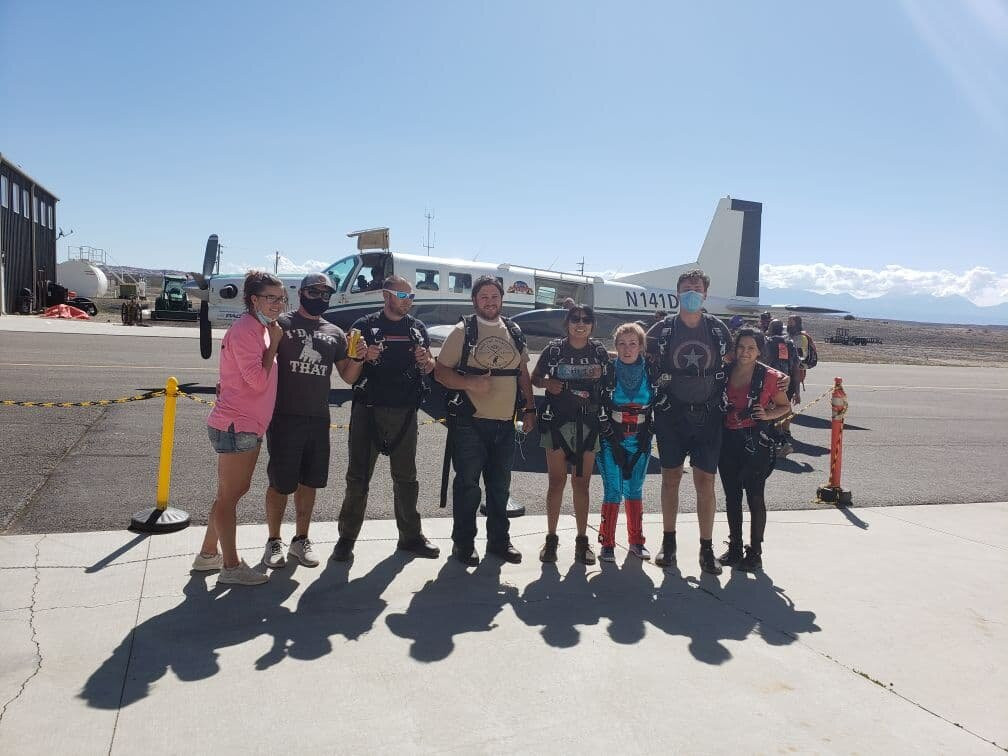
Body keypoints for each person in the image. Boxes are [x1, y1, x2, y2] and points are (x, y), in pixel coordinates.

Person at [261, 273, 367, 570]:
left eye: (326, 293)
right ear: (301, 292)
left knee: (310, 482)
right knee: (280, 483)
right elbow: (260, 363)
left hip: (319, 418)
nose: (320, 297)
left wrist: (358, 359)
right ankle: (273, 541)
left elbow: (347, 375)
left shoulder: (335, 332)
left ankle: (300, 540)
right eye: (314, 291)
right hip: (284, 417)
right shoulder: (280, 323)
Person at [333, 275, 441, 562]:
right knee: (358, 478)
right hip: (367, 409)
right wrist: (361, 357)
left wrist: (425, 361)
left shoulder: (417, 328)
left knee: (406, 478)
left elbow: (430, 366)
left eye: (411, 297)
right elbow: (348, 377)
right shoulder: (363, 326)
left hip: (405, 412)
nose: (408, 302)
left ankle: (410, 536)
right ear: (386, 295)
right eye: (402, 295)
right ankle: (346, 539)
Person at [434, 275, 537, 566]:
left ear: (501, 299)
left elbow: (522, 374)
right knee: (468, 485)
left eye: (494, 296)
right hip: (470, 423)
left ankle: (498, 542)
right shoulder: (462, 331)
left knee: (500, 487)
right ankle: (463, 545)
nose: (490, 301)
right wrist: (470, 382)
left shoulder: (514, 331)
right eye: (484, 297)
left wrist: (529, 408)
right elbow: (441, 373)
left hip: (505, 423)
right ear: (475, 300)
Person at [193, 271, 285, 586]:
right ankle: (230, 567)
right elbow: (257, 381)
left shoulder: (258, 328)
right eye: (270, 298)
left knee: (228, 495)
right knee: (230, 497)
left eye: (280, 298)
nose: (277, 304)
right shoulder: (249, 331)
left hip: (244, 424)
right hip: (238, 425)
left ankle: (208, 554)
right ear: (253, 299)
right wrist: (274, 347)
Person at [645, 268, 732, 575]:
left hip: (709, 415)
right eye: (686, 288)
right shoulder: (663, 329)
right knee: (670, 479)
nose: (692, 293)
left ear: (705, 294)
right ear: (678, 293)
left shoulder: (718, 329)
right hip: (672, 414)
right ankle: (668, 544)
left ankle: (706, 548)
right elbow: (638, 356)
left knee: (705, 482)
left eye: (697, 288)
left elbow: (738, 360)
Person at [532, 305, 613, 565]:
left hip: (588, 425)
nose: (581, 324)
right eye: (576, 319)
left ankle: (582, 541)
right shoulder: (554, 349)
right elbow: (535, 377)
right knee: (556, 482)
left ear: (593, 325)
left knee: (582, 484)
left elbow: (611, 380)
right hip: (556, 423)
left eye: (587, 320)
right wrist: (547, 384)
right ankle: (551, 539)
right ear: (567, 322)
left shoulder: (599, 352)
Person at [718, 327, 791, 571]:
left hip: (754, 443)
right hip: (727, 440)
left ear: (760, 350)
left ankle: (755, 552)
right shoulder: (725, 371)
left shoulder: (770, 377)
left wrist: (768, 414)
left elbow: (785, 407)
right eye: (741, 347)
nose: (745, 352)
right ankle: (735, 547)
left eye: (751, 348)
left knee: (755, 496)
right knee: (732, 496)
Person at [596, 322, 653, 562]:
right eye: (622, 343)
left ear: (641, 346)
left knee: (635, 489)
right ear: (615, 346)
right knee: (613, 490)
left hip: (640, 439)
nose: (627, 348)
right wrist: (610, 437)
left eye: (633, 343)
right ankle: (607, 542)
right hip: (611, 438)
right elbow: (596, 405)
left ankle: (636, 541)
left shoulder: (653, 372)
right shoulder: (607, 371)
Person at [764, 319, 802, 455]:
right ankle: (784, 436)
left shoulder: (766, 343)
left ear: (770, 328)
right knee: (783, 410)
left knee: (769, 414)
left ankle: (782, 442)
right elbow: (796, 369)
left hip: (770, 383)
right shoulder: (790, 345)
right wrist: (797, 391)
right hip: (788, 383)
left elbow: (763, 362)